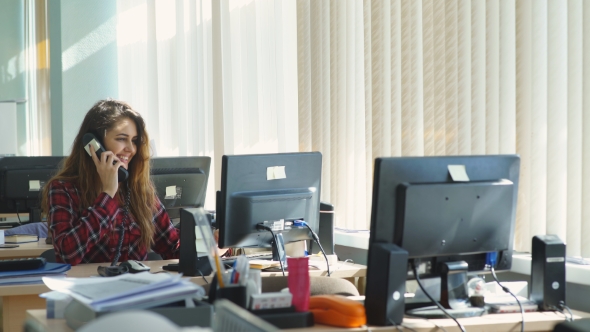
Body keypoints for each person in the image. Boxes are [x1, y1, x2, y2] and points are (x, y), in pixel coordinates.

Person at [42, 99, 179, 265]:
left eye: (134, 140)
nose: (131, 149)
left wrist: (210, 242)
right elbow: (67, 255)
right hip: (88, 288)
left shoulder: (138, 189)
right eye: (122, 139)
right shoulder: (63, 189)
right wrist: (108, 194)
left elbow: (173, 247)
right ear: (93, 144)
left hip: (138, 288)